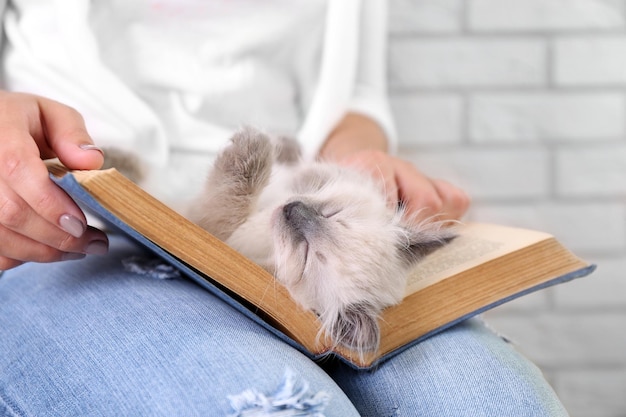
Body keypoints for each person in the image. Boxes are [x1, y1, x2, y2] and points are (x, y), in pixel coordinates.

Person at [0, 1, 568, 416]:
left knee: (500, 404)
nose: (303, 219)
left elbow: (354, 95)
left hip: (274, 193)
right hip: (81, 216)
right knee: (284, 408)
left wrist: (359, 158)